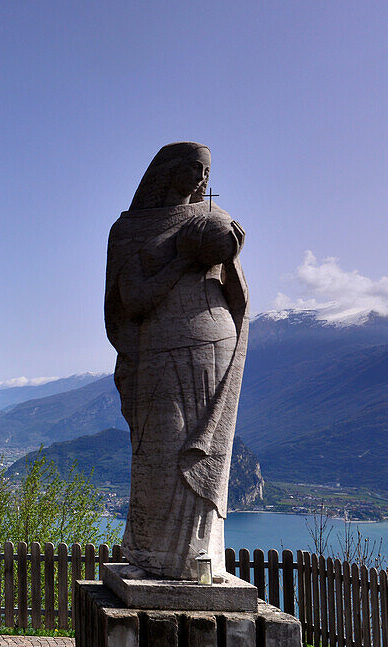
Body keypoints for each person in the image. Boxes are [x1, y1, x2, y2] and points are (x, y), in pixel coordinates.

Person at [104, 142, 248, 580]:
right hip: (158, 346)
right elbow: (133, 299)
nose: (204, 178)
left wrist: (229, 251)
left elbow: (233, 286)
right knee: (159, 447)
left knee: (203, 442)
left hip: (213, 339)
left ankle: (201, 556)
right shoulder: (129, 230)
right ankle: (153, 552)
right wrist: (183, 258)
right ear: (167, 172)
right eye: (194, 168)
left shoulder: (213, 222)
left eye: (207, 170)